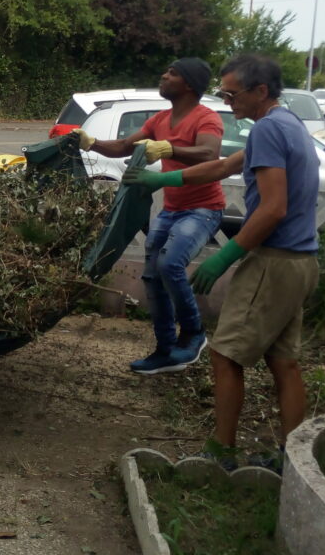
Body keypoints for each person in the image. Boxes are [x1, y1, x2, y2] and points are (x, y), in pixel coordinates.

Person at [132, 54, 320, 471]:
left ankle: (220, 455)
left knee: (225, 356)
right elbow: (219, 166)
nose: (226, 100)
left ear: (261, 92)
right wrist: (163, 179)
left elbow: (272, 209)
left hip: (274, 260)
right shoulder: (286, 124)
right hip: (302, 261)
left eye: (232, 93)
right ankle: (295, 462)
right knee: (283, 361)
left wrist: (225, 256)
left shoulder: (270, 128)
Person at [74, 57, 225, 374]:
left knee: (170, 264)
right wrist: (91, 143)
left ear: (188, 84)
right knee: (152, 276)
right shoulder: (160, 119)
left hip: (204, 208)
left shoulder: (206, 118)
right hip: (172, 209)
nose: (164, 74)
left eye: (172, 73)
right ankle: (165, 350)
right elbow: (124, 146)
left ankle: (194, 334)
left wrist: (169, 148)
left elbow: (209, 153)